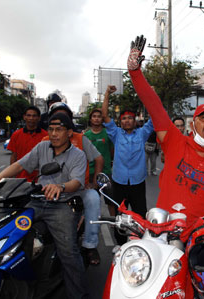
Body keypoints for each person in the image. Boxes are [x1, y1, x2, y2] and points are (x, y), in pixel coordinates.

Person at [127, 35, 204, 236]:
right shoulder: (175, 142)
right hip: (159, 236)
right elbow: (154, 105)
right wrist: (135, 73)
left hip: (199, 244)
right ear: (193, 124)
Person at [0, 113, 89, 298]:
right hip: (37, 201)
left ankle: (78, 294)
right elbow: (19, 165)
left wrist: (60, 187)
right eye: (51, 129)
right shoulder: (42, 147)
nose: (54, 134)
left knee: (69, 253)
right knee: (9, 231)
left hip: (62, 205)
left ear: (69, 132)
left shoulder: (78, 156)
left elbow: (76, 182)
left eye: (59, 130)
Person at [43, 102, 104, 266]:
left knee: (93, 199)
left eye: (64, 117)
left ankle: (90, 245)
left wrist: (94, 183)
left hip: (78, 189)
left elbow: (99, 158)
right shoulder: (45, 140)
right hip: (51, 189)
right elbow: (26, 164)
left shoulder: (81, 138)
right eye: (56, 117)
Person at [101, 84, 154, 245]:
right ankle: (120, 245)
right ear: (120, 122)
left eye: (130, 118)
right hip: (119, 182)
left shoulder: (143, 133)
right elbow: (104, 116)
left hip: (137, 182)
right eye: (123, 118)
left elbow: (155, 116)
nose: (127, 120)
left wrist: (149, 93)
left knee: (140, 215)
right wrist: (107, 94)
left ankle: (140, 244)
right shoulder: (115, 133)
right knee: (120, 217)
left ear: (134, 120)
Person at [84, 108, 115, 216]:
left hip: (106, 172)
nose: (97, 119)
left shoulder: (108, 134)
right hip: (91, 173)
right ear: (91, 119)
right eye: (94, 116)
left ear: (102, 119)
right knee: (92, 203)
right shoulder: (86, 136)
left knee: (111, 202)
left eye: (99, 116)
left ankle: (114, 225)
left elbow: (112, 151)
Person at [7, 106, 48, 182]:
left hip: (40, 179)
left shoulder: (46, 136)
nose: (31, 118)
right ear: (24, 117)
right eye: (28, 115)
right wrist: (11, 176)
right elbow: (14, 156)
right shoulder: (16, 135)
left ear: (39, 118)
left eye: (34, 116)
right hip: (21, 179)